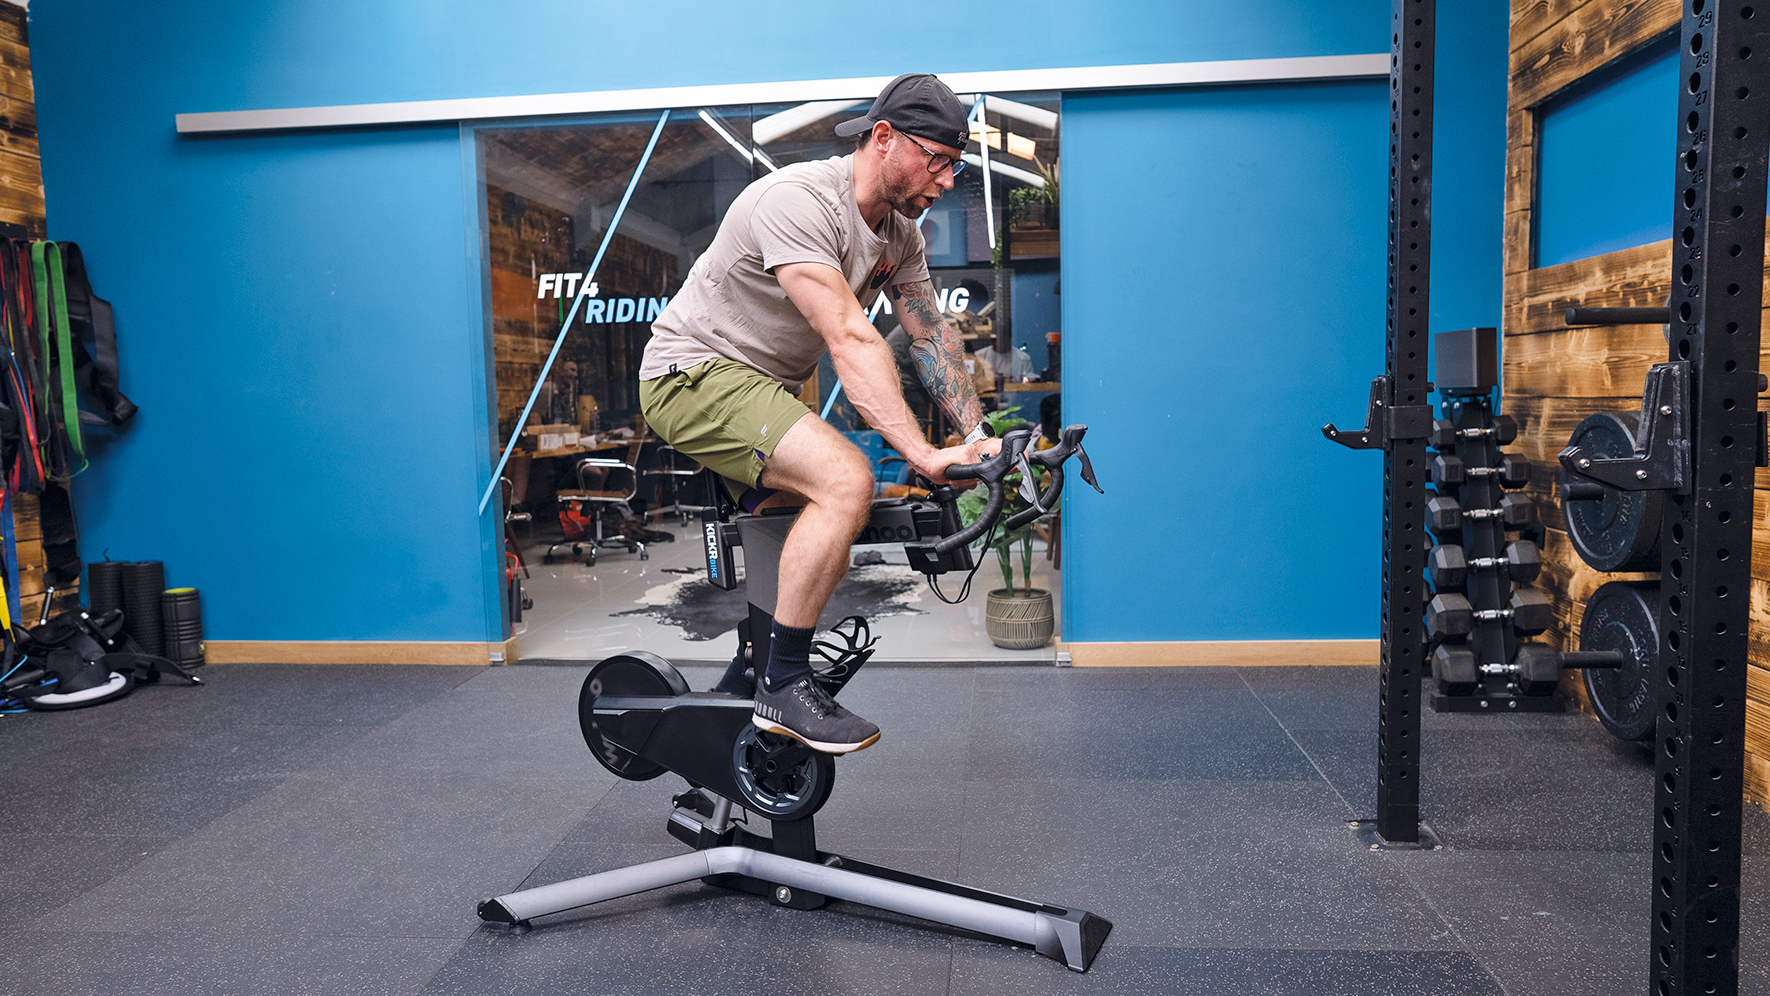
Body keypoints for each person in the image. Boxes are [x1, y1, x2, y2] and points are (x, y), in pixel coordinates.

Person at [638, 73, 999, 755]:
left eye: (955, 165)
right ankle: (782, 686)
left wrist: (978, 438)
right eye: (938, 161)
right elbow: (850, 338)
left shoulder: (901, 236)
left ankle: (748, 680)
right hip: (690, 374)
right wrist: (924, 455)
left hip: (760, 388)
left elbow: (929, 334)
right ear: (884, 138)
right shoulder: (799, 200)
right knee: (845, 479)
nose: (948, 181)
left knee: (799, 522)